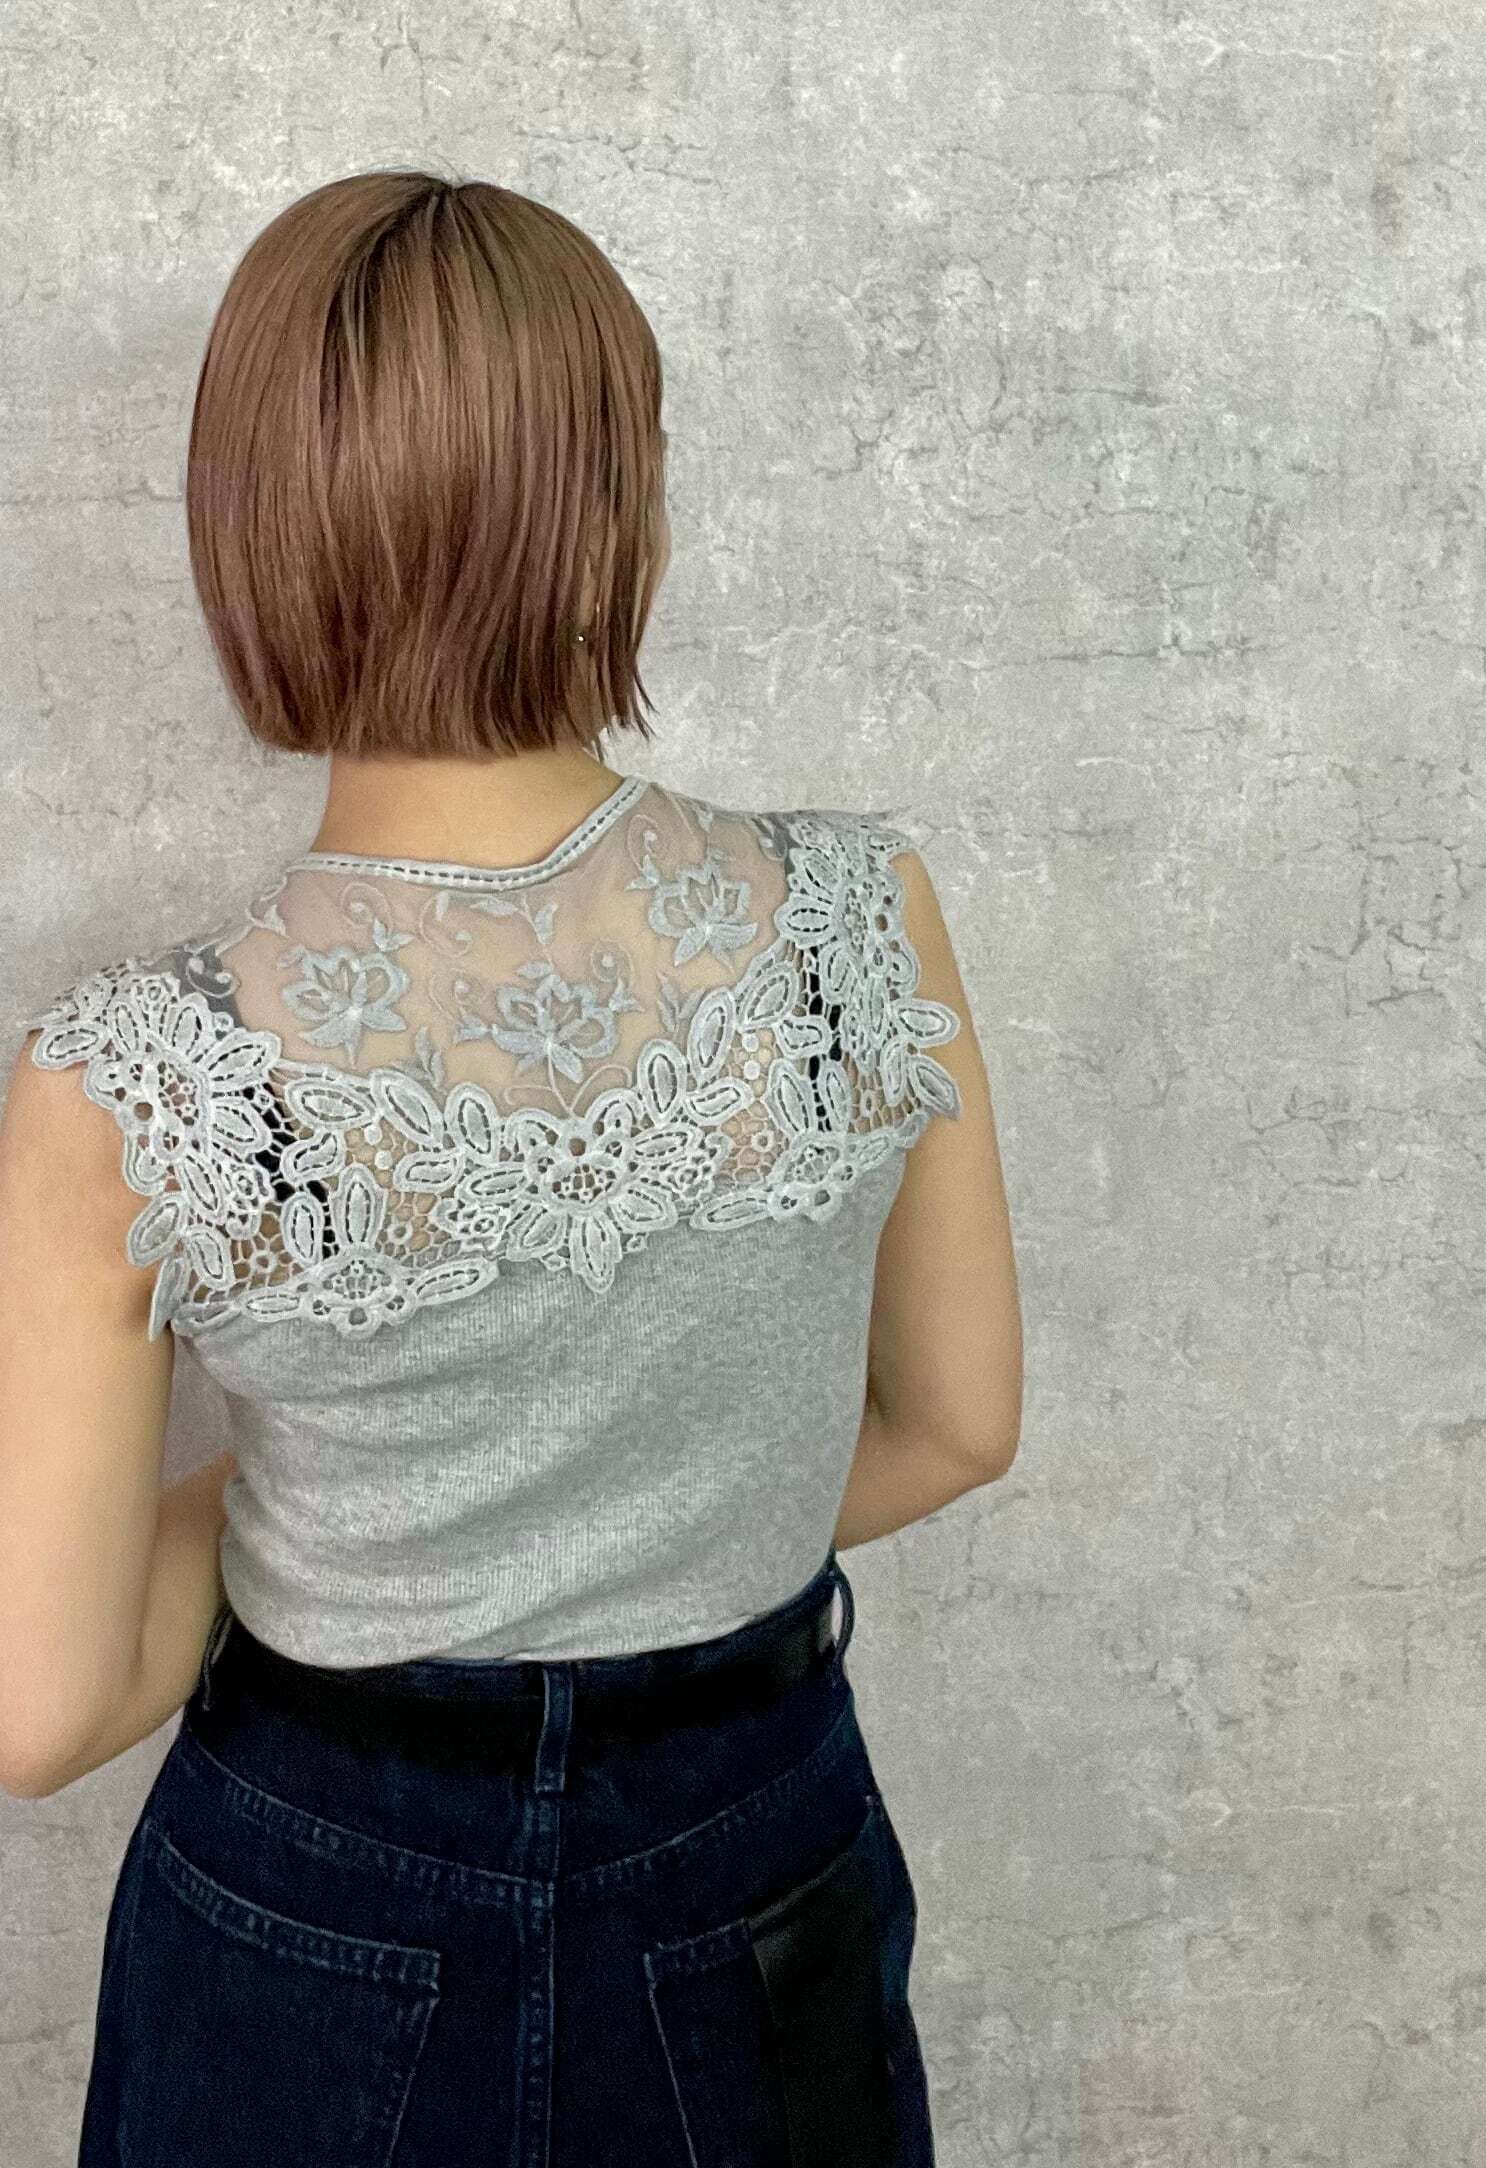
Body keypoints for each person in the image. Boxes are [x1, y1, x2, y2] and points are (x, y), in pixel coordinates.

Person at [0, 168, 1023, 2167]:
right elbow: (957, 1423)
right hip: (757, 1858)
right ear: (621, 508)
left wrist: (316, 1518)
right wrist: (642, 1507)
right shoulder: (855, 918)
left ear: (248, 531)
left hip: (314, 1905)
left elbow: (42, 1707)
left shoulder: (130, 1075)